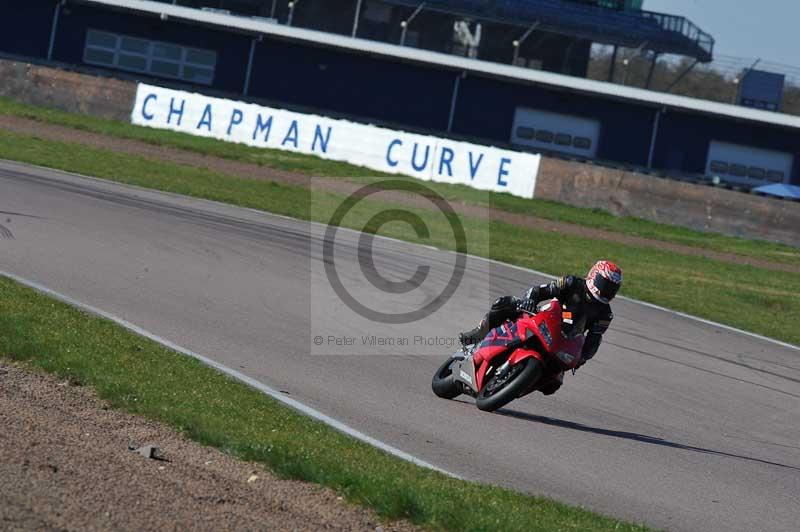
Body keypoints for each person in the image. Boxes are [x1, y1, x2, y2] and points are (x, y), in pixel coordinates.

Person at [459, 261, 622, 395]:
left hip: (562, 343)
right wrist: (530, 300)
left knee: (553, 385)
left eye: (611, 288)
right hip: (542, 320)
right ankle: (478, 334)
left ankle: (516, 385)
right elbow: (539, 291)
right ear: (593, 276)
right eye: (604, 284)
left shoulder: (605, 314)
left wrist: (582, 358)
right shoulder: (572, 283)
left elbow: (593, 340)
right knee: (504, 304)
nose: (607, 290)